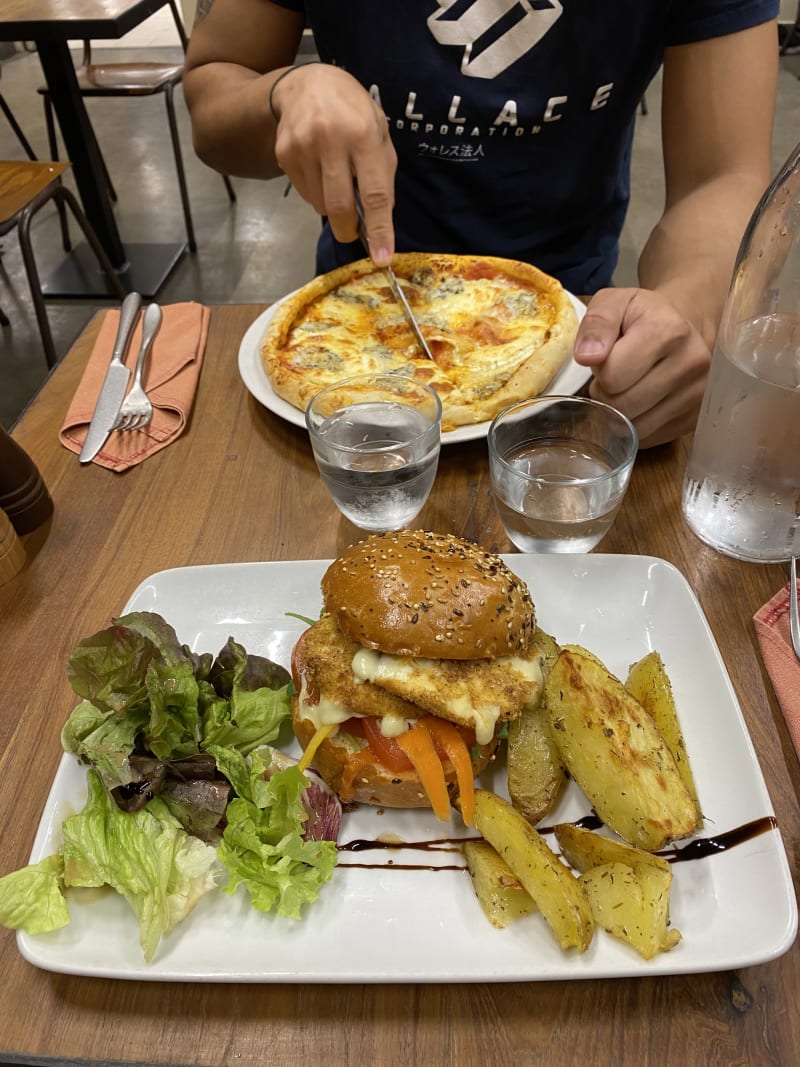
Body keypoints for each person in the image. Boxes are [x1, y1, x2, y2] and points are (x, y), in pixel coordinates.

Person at [183, 1, 779, 448]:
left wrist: (687, 306)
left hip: (580, 339)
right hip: (351, 330)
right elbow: (213, 98)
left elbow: (722, 176)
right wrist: (289, 88)